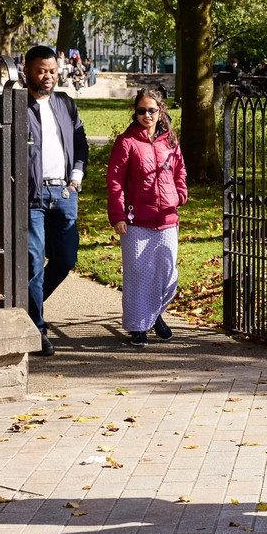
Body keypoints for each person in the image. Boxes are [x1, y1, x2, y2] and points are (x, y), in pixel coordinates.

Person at [14, 44, 88, 356]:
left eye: (53, 71)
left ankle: (24, 308)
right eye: (42, 71)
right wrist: (2, 202)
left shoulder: (66, 104)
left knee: (66, 259)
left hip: (64, 192)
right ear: (27, 72)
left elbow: (81, 143)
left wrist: (76, 177)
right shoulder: (14, 106)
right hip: (31, 195)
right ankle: (37, 328)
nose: (48, 77)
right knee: (33, 261)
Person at [107, 89, 188, 345]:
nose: (147, 115)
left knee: (167, 274)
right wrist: (118, 215)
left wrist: (180, 194)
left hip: (166, 219)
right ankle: (138, 327)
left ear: (160, 111)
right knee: (138, 276)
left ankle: (154, 315)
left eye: (151, 110)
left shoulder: (169, 140)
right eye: (141, 111)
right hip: (136, 221)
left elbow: (180, 170)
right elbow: (115, 181)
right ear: (136, 113)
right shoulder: (126, 142)